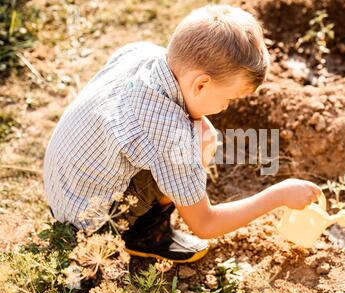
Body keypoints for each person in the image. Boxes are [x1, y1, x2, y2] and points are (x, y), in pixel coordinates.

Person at [43, 4, 321, 263]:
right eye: (230, 99)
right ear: (201, 85)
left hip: (63, 187)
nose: (225, 107)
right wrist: (279, 195)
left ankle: (146, 221)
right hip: (88, 221)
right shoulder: (170, 132)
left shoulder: (141, 53)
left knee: (200, 134)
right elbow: (205, 224)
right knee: (200, 140)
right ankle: (146, 234)